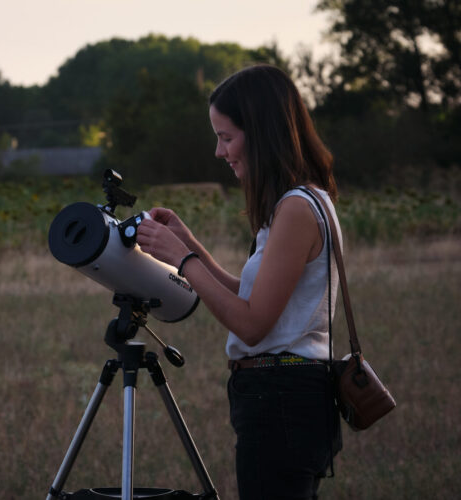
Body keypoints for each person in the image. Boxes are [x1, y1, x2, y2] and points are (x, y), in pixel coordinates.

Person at [136, 64, 343, 499]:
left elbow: (251, 325)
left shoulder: (297, 210)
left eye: (226, 137)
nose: (218, 151)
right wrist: (189, 243)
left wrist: (182, 258)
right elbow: (252, 300)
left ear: (263, 134)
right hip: (283, 398)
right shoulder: (298, 203)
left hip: (281, 399)